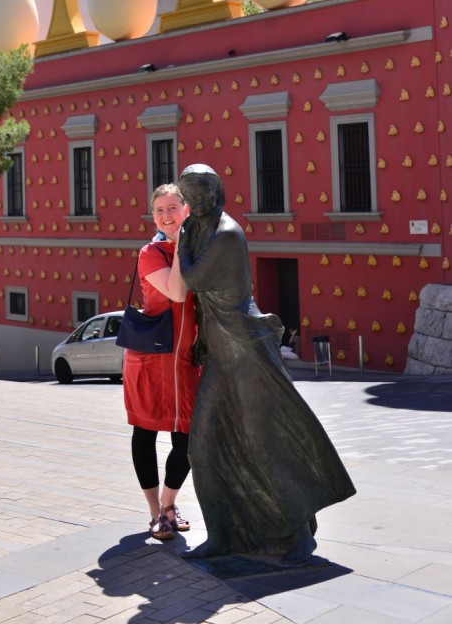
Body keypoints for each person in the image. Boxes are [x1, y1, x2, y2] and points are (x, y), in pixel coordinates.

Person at [177, 164, 356, 564]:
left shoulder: (225, 233)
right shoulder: (199, 228)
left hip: (246, 350)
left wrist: (181, 239)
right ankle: (221, 535)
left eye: (205, 193)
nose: (200, 202)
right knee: (201, 448)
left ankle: (300, 534)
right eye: (192, 196)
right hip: (221, 354)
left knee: (263, 445)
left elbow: (190, 279)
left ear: (217, 192)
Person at [122, 183, 201, 542]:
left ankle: (170, 504)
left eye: (172, 208)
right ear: (153, 217)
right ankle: (155, 512)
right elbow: (177, 292)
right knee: (145, 433)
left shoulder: (200, 250)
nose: (166, 215)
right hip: (150, 361)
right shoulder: (150, 253)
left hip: (185, 361)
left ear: (186, 210)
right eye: (159, 210)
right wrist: (182, 246)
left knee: (187, 438)